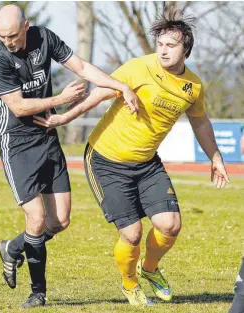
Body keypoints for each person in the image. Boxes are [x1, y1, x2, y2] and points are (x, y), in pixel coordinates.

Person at [33, 7, 230, 306]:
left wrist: (215, 156)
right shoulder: (139, 68)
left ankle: (148, 269)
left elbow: (200, 121)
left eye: (171, 45)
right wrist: (64, 118)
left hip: (147, 163)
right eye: (160, 44)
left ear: (185, 49)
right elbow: (99, 93)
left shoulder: (193, 87)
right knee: (133, 234)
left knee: (170, 225)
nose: (163, 51)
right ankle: (129, 284)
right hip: (105, 160)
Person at [0, 4, 138, 309]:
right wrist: (61, 100)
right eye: (2, 37)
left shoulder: (44, 38)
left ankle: (13, 247)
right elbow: (18, 107)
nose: (8, 42)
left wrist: (119, 85)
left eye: (13, 36)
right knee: (37, 219)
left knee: (60, 220)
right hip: (16, 142)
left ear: (26, 27)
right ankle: (38, 292)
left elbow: (81, 67)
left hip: (47, 136)